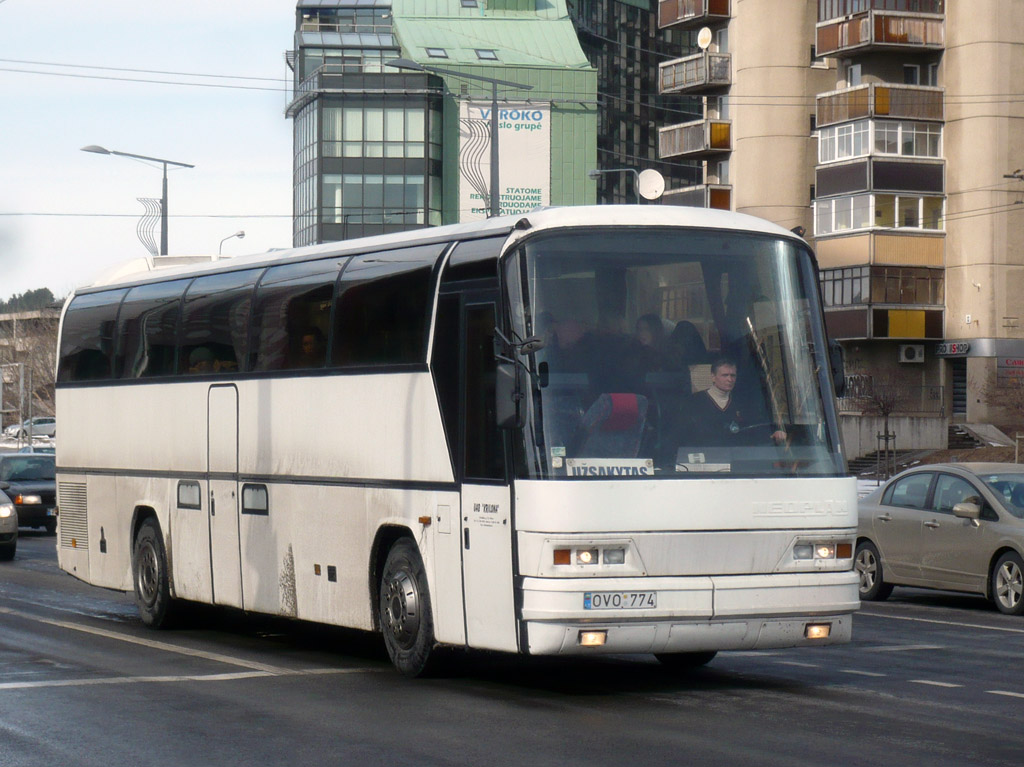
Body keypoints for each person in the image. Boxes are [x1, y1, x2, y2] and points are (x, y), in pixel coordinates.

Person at [685, 357, 786, 446]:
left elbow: (757, 426)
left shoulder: (742, 402)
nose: (730, 379)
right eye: (725, 375)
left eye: (733, 375)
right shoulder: (695, 401)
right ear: (713, 377)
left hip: (737, 457)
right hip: (706, 457)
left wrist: (776, 431)